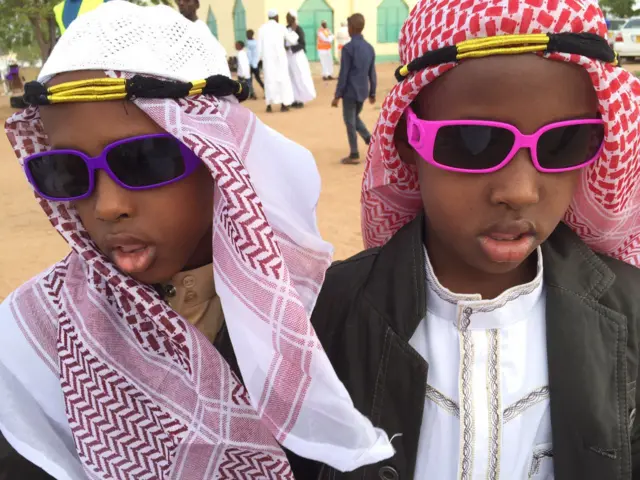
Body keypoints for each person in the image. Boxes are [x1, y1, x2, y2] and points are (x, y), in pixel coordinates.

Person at [0, 3, 395, 479]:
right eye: (64, 170)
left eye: (143, 160)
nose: (106, 206)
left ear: (218, 155)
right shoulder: (32, 335)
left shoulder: (332, 310)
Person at [304, 0, 640, 478]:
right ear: (406, 141)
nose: (519, 192)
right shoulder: (324, 320)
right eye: (474, 141)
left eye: (563, 142)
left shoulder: (630, 318)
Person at [331, 14, 376, 165]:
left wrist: (337, 95)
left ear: (352, 28)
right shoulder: (369, 48)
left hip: (350, 92)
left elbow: (343, 74)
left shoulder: (348, 49)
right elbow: (372, 72)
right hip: (362, 91)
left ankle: (354, 153)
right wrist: (372, 92)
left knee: (349, 121)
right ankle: (370, 139)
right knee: (354, 118)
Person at [258, 10, 296, 113]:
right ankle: (284, 105)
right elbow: (292, 40)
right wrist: (293, 30)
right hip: (280, 59)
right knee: (282, 80)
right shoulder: (281, 27)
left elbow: (259, 47)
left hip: (268, 60)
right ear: (276, 17)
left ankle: (269, 106)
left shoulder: (262, 28)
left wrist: (260, 59)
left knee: (269, 81)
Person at [286, 10, 316, 109]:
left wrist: (292, 49)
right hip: (288, 57)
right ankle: (294, 99)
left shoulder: (298, 29)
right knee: (291, 77)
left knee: (299, 77)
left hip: (297, 56)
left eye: (289, 17)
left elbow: (302, 44)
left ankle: (301, 99)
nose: (287, 19)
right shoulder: (285, 28)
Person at [246, 29, 263, 99]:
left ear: (250, 35)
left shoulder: (248, 43)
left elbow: (251, 54)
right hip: (254, 63)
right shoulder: (256, 42)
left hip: (251, 64)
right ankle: (253, 93)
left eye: (247, 34)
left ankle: (252, 93)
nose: (246, 36)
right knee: (256, 78)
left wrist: (251, 63)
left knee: (251, 79)